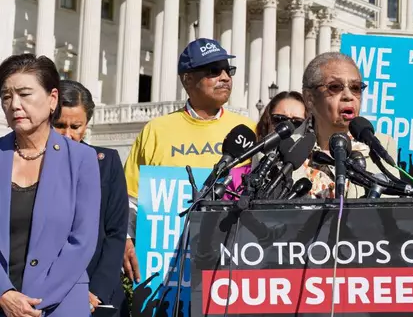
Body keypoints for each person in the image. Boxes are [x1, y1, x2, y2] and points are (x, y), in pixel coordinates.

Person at [121, 38, 255, 288]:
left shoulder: (249, 130)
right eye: (214, 71)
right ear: (187, 79)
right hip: (166, 267)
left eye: (228, 70)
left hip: (232, 260)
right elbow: (130, 199)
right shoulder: (156, 130)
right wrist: (127, 240)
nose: (225, 77)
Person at [0, 54, 100, 316]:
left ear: (52, 99)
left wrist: (32, 303)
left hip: (60, 304)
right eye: (6, 96)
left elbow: (82, 241)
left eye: (24, 94)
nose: (14, 105)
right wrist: (4, 293)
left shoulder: (82, 159)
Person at [52, 80, 128, 314]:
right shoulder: (32, 164)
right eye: (59, 125)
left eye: (76, 126)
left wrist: (96, 291)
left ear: (87, 125)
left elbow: (116, 232)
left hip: (99, 292)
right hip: (49, 289)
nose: (67, 135)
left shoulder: (107, 162)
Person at [294, 52, 398, 198]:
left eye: (355, 87)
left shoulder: (382, 145)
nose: (348, 96)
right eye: (335, 87)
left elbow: (390, 210)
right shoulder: (279, 150)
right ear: (310, 98)